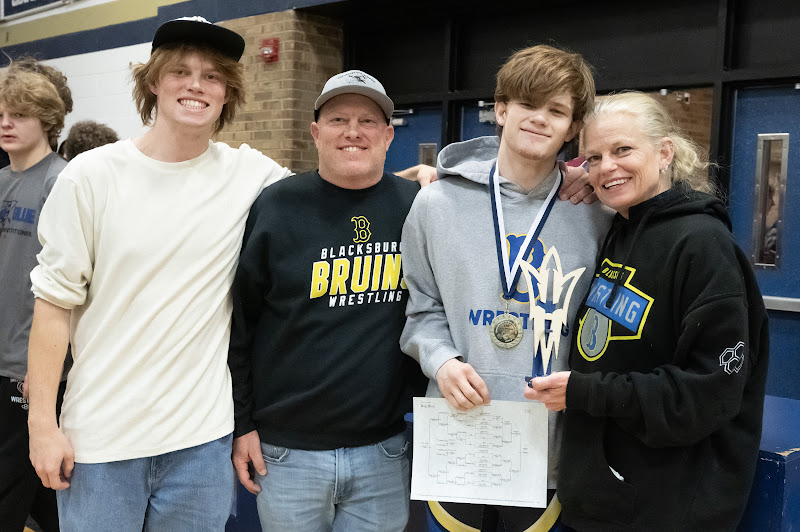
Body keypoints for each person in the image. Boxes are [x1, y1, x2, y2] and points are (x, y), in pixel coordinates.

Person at [25, 16, 292, 531]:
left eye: (212, 76)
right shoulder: (91, 177)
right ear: (153, 82)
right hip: (100, 442)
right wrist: (42, 424)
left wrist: (421, 178)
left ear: (227, 93)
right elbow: (53, 306)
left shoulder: (250, 175)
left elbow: (326, 197)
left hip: (201, 445)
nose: (197, 85)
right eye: (181, 72)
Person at [525, 91, 769, 530]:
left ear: (664, 153)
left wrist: (586, 392)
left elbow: (707, 395)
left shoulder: (703, 246)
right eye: (594, 157)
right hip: (602, 501)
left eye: (623, 150)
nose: (607, 167)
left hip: (667, 511)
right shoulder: (618, 228)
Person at [400, 45, 613, 531]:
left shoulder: (597, 214)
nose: (539, 119)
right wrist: (441, 360)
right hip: (457, 432)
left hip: (549, 446)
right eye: (527, 104)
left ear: (572, 128)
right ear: (500, 110)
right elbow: (421, 309)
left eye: (556, 110)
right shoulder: (435, 204)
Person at [228, 69, 427, 532]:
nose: (353, 131)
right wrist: (243, 424)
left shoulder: (416, 205)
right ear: (316, 133)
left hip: (384, 450)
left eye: (367, 121)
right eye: (339, 120)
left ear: (388, 136)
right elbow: (240, 326)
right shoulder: (276, 206)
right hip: (286, 452)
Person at [0, 59, 71, 532]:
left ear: (46, 119)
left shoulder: (61, 181)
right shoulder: (2, 181)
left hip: (30, 368)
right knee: (45, 500)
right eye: (1, 114)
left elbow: (70, 288)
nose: (6, 123)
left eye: (19, 114)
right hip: (2, 357)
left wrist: (43, 369)